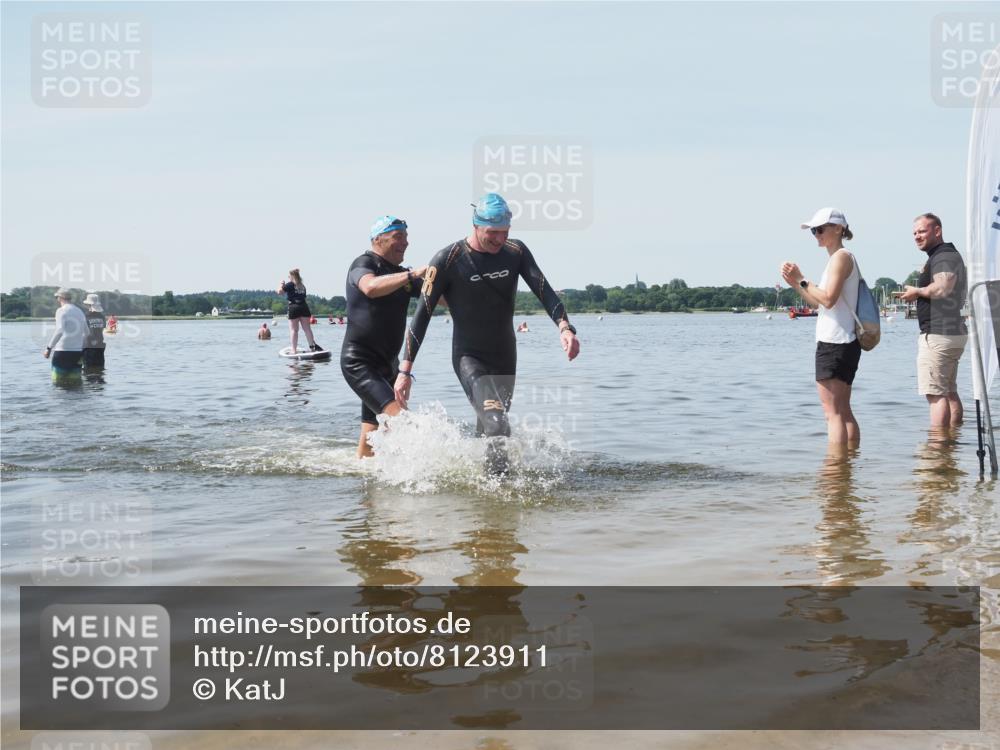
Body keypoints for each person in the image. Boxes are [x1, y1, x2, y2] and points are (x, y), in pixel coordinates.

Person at [394, 193, 580, 473]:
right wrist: (404, 371)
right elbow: (422, 315)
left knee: (491, 429)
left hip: (505, 356)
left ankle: (488, 500)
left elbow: (545, 291)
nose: (499, 239)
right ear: (476, 225)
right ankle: (500, 493)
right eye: (492, 233)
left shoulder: (516, 252)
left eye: (505, 232)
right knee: (498, 425)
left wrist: (565, 328)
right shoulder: (448, 259)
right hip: (469, 358)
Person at [341, 215, 427, 458]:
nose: (406, 243)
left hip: (388, 366)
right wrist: (411, 275)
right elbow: (369, 287)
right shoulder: (364, 263)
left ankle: (366, 493)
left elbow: (440, 297)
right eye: (398, 236)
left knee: (371, 443)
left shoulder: (400, 274)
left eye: (407, 237)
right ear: (378, 239)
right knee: (403, 421)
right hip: (360, 364)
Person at [781, 207, 862, 445]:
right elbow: (820, 304)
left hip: (835, 342)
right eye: (813, 231)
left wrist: (802, 278)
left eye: (819, 229)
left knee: (832, 414)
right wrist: (796, 284)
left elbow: (828, 298)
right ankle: (847, 468)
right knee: (843, 410)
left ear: (838, 229)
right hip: (844, 341)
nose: (816, 234)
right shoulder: (839, 259)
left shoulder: (841, 257)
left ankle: (835, 475)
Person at [898, 213, 968, 427]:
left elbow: (943, 287)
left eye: (922, 231)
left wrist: (916, 292)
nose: (917, 236)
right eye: (914, 233)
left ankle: (938, 449)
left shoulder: (944, 256)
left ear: (937, 231)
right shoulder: (942, 255)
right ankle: (952, 440)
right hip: (951, 332)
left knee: (935, 395)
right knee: (948, 391)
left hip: (939, 334)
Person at [44, 288, 87, 381]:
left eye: (57, 297)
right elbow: (87, 333)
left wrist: (49, 348)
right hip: (77, 353)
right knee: (75, 384)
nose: (57, 299)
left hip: (62, 352)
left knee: (58, 384)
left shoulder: (61, 310)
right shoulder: (80, 311)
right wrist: (81, 349)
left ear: (60, 298)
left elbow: (60, 330)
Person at [276, 269, 322, 353]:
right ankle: (312, 348)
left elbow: (279, 292)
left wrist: (281, 284)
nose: (288, 278)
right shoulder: (302, 286)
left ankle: (294, 350)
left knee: (294, 330)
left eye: (289, 276)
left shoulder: (290, 284)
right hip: (304, 307)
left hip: (294, 307)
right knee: (307, 329)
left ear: (292, 276)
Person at [82, 293, 106, 369]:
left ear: (88, 305)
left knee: (88, 372)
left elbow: (83, 333)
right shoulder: (102, 317)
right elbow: (102, 329)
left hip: (88, 348)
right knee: (100, 372)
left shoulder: (86, 316)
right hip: (100, 347)